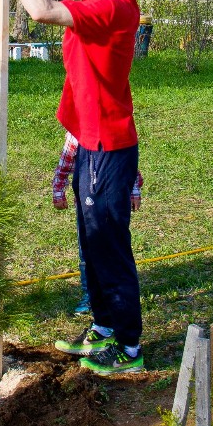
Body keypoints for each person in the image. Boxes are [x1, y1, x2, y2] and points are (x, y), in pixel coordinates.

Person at [0, 0, 146, 376]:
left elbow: (40, 11)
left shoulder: (112, 9)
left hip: (108, 144)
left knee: (108, 242)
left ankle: (128, 346)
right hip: (89, 139)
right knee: (90, 237)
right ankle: (103, 326)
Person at [51, 131, 144, 315]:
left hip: (114, 204)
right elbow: (64, 164)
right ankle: (90, 296)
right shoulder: (76, 134)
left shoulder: (116, 130)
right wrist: (58, 191)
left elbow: (128, 164)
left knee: (116, 250)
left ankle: (118, 296)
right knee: (87, 254)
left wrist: (134, 190)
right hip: (87, 207)